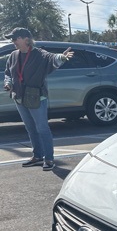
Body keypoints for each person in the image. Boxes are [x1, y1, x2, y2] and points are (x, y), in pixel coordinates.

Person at [3, 27, 74, 171]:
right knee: (30, 128)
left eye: (15, 38)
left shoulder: (39, 54)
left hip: (36, 97)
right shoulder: (13, 55)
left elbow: (52, 58)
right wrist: (8, 83)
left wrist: (62, 57)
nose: (13, 41)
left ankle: (49, 159)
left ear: (26, 39)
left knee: (42, 129)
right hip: (19, 97)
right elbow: (8, 72)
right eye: (12, 38)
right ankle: (37, 156)